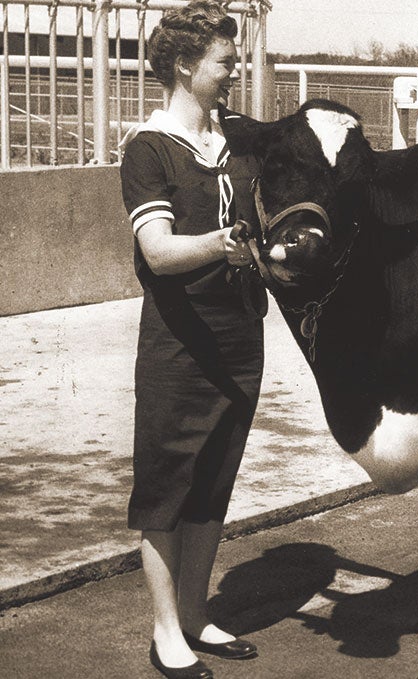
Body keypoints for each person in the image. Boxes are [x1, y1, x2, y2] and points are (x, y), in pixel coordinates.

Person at [120, 2, 266, 677]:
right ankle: (164, 629)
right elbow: (156, 251)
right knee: (168, 486)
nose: (234, 70)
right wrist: (219, 245)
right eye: (224, 60)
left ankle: (196, 610)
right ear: (184, 64)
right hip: (180, 345)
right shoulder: (148, 148)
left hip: (240, 335)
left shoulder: (233, 143)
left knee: (214, 482)